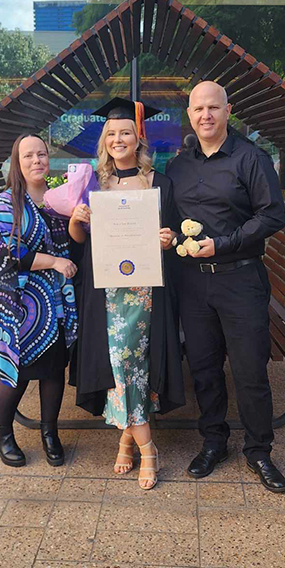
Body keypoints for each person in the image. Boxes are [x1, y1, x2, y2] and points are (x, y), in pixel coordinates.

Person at [167, 81, 285, 493]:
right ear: (190, 114)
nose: (206, 115)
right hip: (193, 284)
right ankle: (214, 442)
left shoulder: (251, 159)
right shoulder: (179, 167)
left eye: (213, 108)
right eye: (198, 109)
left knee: (250, 370)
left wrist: (222, 243)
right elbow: (164, 218)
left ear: (227, 110)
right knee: (203, 369)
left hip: (240, 278)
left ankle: (259, 451)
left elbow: (272, 216)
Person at [69, 97, 185, 490]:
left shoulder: (160, 183)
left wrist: (167, 239)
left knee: (134, 365)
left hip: (145, 292)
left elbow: (168, 238)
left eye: (125, 133)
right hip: (106, 292)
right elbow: (79, 242)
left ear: (138, 139)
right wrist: (76, 220)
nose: (119, 139)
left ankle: (130, 441)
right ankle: (143, 445)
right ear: (104, 141)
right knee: (119, 366)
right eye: (112, 134)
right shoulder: (93, 183)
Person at [0, 133, 79, 468]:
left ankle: (49, 433)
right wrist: (54, 262)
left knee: (54, 369)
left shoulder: (58, 199)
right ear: (17, 163)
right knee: (18, 372)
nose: (36, 161)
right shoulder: (6, 203)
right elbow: (10, 254)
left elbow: (72, 243)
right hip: (19, 306)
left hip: (54, 302)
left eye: (41, 154)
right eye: (28, 156)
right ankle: (4, 433)